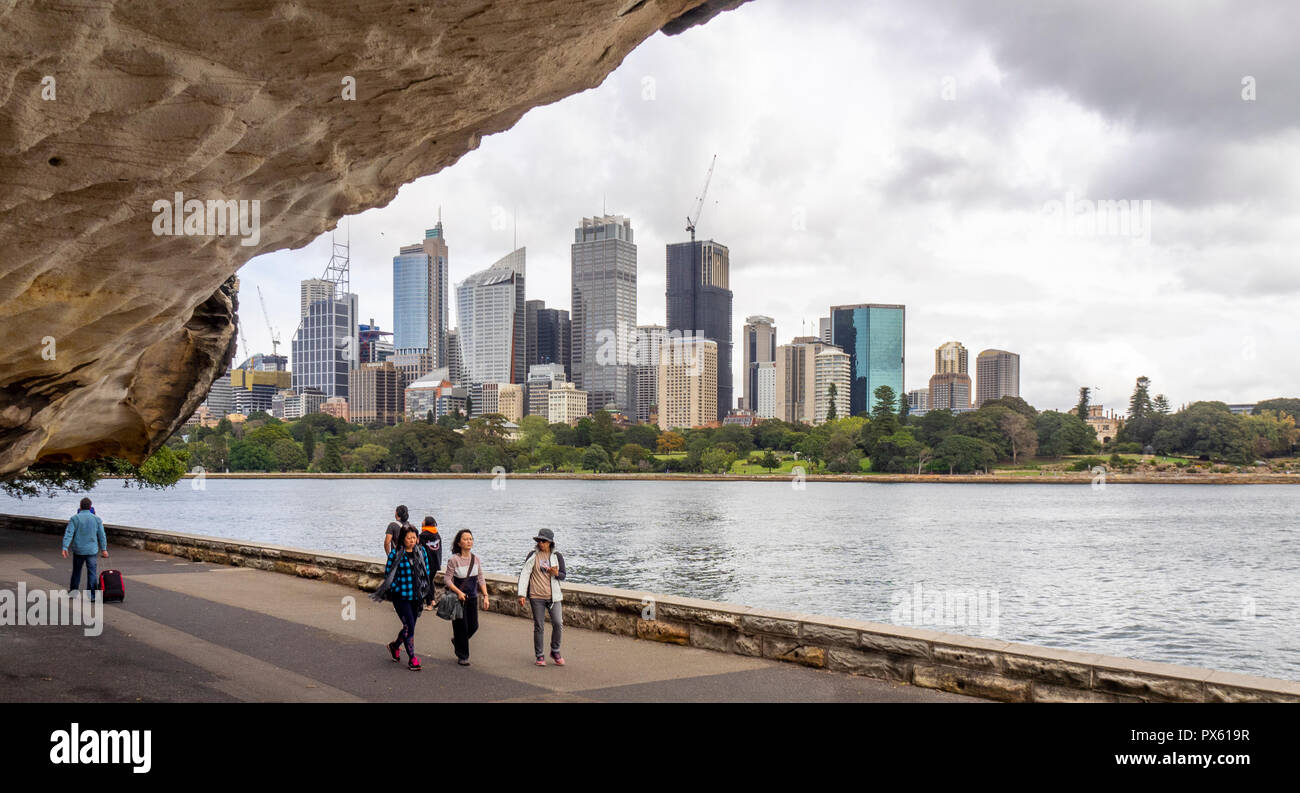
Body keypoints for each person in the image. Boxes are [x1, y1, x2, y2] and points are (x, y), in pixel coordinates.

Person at [370, 526, 432, 671]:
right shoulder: (395, 554)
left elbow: (426, 572)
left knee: (409, 627)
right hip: (401, 598)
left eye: (414, 538)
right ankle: (412, 659)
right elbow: (389, 576)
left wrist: (425, 591)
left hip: (416, 597)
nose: (412, 541)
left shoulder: (421, 552)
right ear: (403, 538)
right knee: (409, 627)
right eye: (409, 538)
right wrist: (398, 591)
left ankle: (394, 646)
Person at [516, 528, 566, 666]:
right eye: (539, 540)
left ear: (550, 542)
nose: (541, 543)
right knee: (539, 626)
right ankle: (540, 656)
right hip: (536, 596)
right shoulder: (533, 555)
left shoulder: (557, 556)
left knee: (558, 623)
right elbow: (525, 574)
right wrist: (521, 594)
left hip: (553, 597)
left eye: (544, 541)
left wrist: (555, 573)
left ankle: (555, 650)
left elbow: (563, 575)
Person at [445, 529, 489, 666]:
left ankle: (458, 641)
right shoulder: (454, 560)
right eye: (465, 539)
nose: (469, 541)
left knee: (474, 626)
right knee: (461, 627)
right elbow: (447, 580)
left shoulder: (475, 559)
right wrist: (458, 592)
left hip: (472, 597)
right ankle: (463, 656)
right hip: (457, 599)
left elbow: (481, 578)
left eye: (471, 539)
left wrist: (486, 596)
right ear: (459, 542)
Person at [61, 497, 108, 601]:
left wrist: (65, 547)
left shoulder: (74, 518)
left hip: (78, 549)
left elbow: (69, 533)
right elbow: (102, 535)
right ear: (90, 507)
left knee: (76, 572)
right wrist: (104, 549)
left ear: (80, 506)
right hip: (92, 550)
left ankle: (73, 593)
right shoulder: (97, 519)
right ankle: (91, 595)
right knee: (92, 572)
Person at [418, 516, 442, 611]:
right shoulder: (437, 534)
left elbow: (419, 549)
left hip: (427, 563)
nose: (422, 521)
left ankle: (429, 604)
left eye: (423, 520)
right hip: (436, 562)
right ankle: (432, 601)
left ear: (426, 523)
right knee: (430, 581)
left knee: (426, 582)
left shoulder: (423, 535)